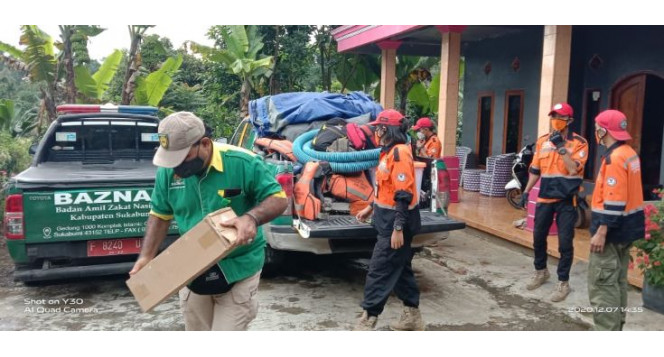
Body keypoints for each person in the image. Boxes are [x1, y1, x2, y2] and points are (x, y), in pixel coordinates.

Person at [129, 112, 288, 331]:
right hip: (191, 267)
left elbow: (278, 199)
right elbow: (159, 214)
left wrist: (251, 218)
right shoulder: (168, 171)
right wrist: (146, 256)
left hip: (239, 266)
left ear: (204, 143)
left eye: (181, 158)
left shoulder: (242, 162)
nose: (175, 167)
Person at [354, 109, 423, 331]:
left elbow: (403, 194)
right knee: (400, 268)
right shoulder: (387, 152)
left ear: (388, 129)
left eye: (379, 128)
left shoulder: (399, 153)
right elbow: (387, 189)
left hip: (396, 224)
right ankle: (412, 316)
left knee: (379, 269)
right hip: (386, 222)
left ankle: (369, 318)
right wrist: (370, 207)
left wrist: (398, 227)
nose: (376, 131)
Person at [519, 103, 588, 302]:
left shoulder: (579, 143)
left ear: (570, 121)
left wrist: (561, 147)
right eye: (554, 116)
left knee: (565, 242)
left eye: (560, 116)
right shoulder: (543, 141)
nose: (556, 120)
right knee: (538, 237)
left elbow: (574, 169)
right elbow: (535, 170)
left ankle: (563, 282)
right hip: (545, 197)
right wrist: (526, 191)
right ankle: (541, 271)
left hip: (567, 200)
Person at [588, 109, 645, 331]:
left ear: (603, 131)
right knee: (618, 281)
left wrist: (602, 231)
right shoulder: (630, 153)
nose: (595, 132)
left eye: (596, 128)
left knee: (602, 285)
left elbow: (615, 198)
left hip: (610, 232)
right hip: (627, 229)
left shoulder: (614, 158)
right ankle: (616, 329)